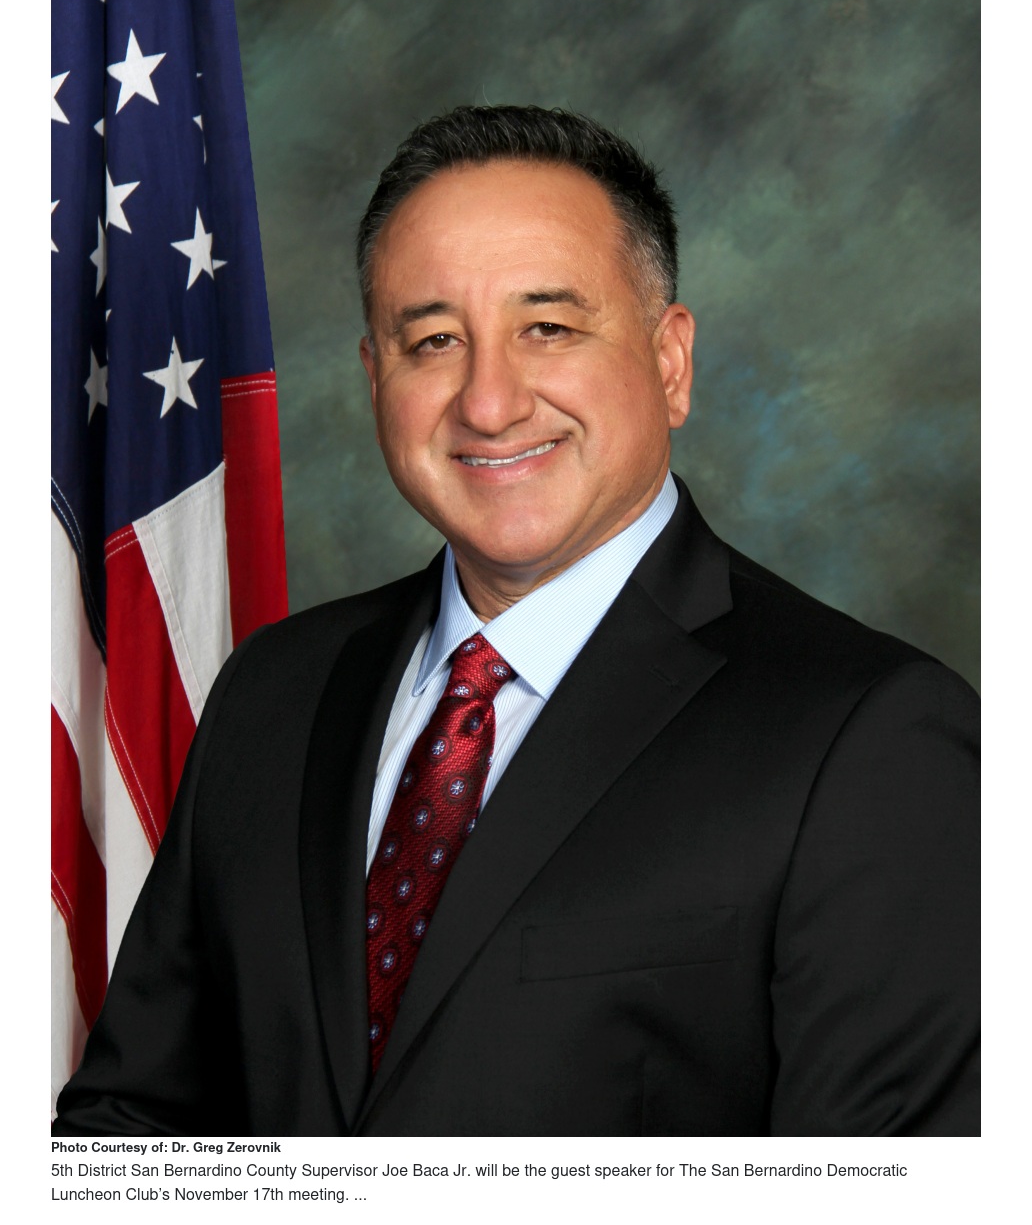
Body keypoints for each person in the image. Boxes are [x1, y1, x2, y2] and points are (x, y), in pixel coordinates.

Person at [54, 105, 979, 1137]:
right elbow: (130, 1128)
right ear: (375, 378)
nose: (488, 403)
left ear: (670, 362)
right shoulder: (274, 691)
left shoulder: (872, 736)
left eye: (549, 328)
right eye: (434, 341)